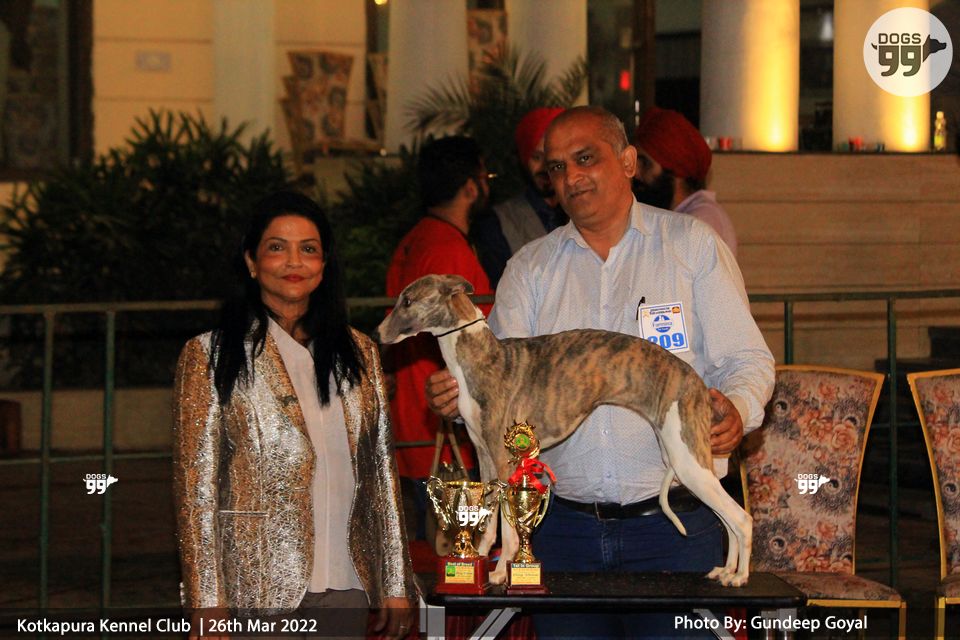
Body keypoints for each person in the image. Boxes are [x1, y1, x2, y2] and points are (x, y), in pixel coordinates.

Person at [427, 106, 774, 638]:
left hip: (676, 532)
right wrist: (458, 397)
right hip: (561, 531)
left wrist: (738, 409)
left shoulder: (692, 245)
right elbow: (496, 386)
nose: (571, 177)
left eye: (585, 158)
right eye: (557, 167)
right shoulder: (529, 268)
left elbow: (748, 360)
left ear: (629, 161)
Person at [173, 191, 416, 639]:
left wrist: (396, 582)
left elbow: (381, 475)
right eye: (276, 247)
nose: (293, 261)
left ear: (324, 265)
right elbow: (196, 492)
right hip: (257, 588)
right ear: (251, 261)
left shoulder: (359, 352)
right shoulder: (210, 355)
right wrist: (207, 601)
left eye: (308, 248)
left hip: (348, 581)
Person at [385, 136, 494, 539]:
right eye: (485, 177)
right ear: (470, 187)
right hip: (442, 422)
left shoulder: (415, 240)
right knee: (457, 549)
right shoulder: (448, 253)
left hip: (415, 419)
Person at [472, 107, 568, 286]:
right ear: (524, 159)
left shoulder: (585, 212)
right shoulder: (498, 222)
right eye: (537, 157)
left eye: (553, 158)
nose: (545, 168)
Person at [632, 106, 738, 256]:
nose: (635, 173)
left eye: (645, 164)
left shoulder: (701, 221)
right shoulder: (674, 217)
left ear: (675, 171)